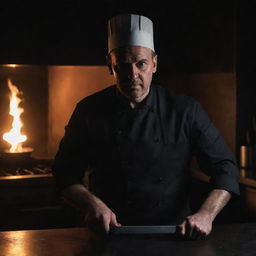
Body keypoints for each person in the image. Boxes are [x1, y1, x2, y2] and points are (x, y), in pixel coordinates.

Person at [52, 13, 240, 239]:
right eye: (122, 65)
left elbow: (225, 168)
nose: (133, 75)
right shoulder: (88, 111)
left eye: (141, 63)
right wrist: (91, 204)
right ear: (110, 66)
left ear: (154, 64)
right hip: (109, 233)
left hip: (175, 234)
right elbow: (64, 173)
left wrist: (206, 215)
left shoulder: (185, 110)